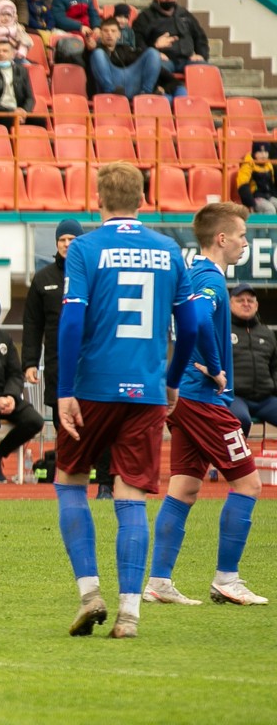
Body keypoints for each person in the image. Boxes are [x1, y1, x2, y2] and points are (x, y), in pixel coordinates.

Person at [54, 162, 200, 639]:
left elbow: (72, 321)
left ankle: (89, 593)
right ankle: (130, 613)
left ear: (99, 200)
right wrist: (172, 381)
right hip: (148, 388)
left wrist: (65, 390)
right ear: (142, 200)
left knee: (70, 479)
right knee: (131, 494)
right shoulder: (169, 248)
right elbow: (191, 325)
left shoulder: (85, 247)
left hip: (93, 385)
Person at [146, 202, 268, 607]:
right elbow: (197, 320)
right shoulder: (211, 280)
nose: (244, 243)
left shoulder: (193, 274)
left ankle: (159, 582)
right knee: (249, 484)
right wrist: (216, 367)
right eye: (241, 236)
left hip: (186, 397)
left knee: (184, 487)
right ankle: (227, 579)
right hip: (202, 398)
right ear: (221, 238)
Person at [22, 219, 83, 450]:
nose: (66, 244)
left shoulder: (91, 274)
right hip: (57, 365)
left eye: (71, 239)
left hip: (89, 365)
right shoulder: (43, 279)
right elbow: (32, 324)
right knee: (63, 427)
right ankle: (68, 467)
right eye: (62, 240)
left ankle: (98, 472)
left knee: (93, 427)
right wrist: (30, 362)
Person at [0, 291, 44, 483]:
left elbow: (15, 373)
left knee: (34, 420)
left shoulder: (4, 339)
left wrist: (11, 396)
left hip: (5, 395)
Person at [229, 283, 277, 435]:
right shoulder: (222, 330)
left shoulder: (267, 333)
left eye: (250, 301)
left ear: (256, 306)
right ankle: (238, 452)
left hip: (265, 399)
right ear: (230, 304)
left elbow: (275, 367)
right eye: (240, 300)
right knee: (240, 420)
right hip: (235, 397)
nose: (246, 304)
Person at [132, 0, 209, 73]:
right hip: (163, 60)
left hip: (187, 60)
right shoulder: (146, 16)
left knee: (207, 70)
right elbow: (137, 39)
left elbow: (200, 37)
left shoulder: (185, 15)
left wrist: (201, 55)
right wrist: (154, 52)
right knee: (157, 70)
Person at [81, 19, 163, 102]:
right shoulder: (95, 50)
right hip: (108, 88)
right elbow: (85, 60)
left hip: (130, 85)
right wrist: (89, 50)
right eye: (105, 31)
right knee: (98, 53)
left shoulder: (125, 49)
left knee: (153, 52)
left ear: (119, 34)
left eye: (113, 31)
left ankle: (146, 93)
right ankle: (110, 92)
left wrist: (155, 47)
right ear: (100, 34)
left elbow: (148, 62)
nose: (109, 34)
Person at [0, 39, 42, 127]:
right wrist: (12, 111)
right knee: (10, 120)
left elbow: (30, 97)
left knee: (40, 120)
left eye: (5, 51)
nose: (1, 53)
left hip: (19, 111)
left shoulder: (21, 70)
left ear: (13, 54)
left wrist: (24, 112)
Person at [236, 142, 276, 215]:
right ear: (254, 153)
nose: (263, 155)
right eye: (260, 152)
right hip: (255, 198)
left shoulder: (269, 165)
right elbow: (242, 186)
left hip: (268, 196)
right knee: (270, 209)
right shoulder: (248, 165)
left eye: (266, 152)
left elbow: (272, 185)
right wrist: (250, 203)